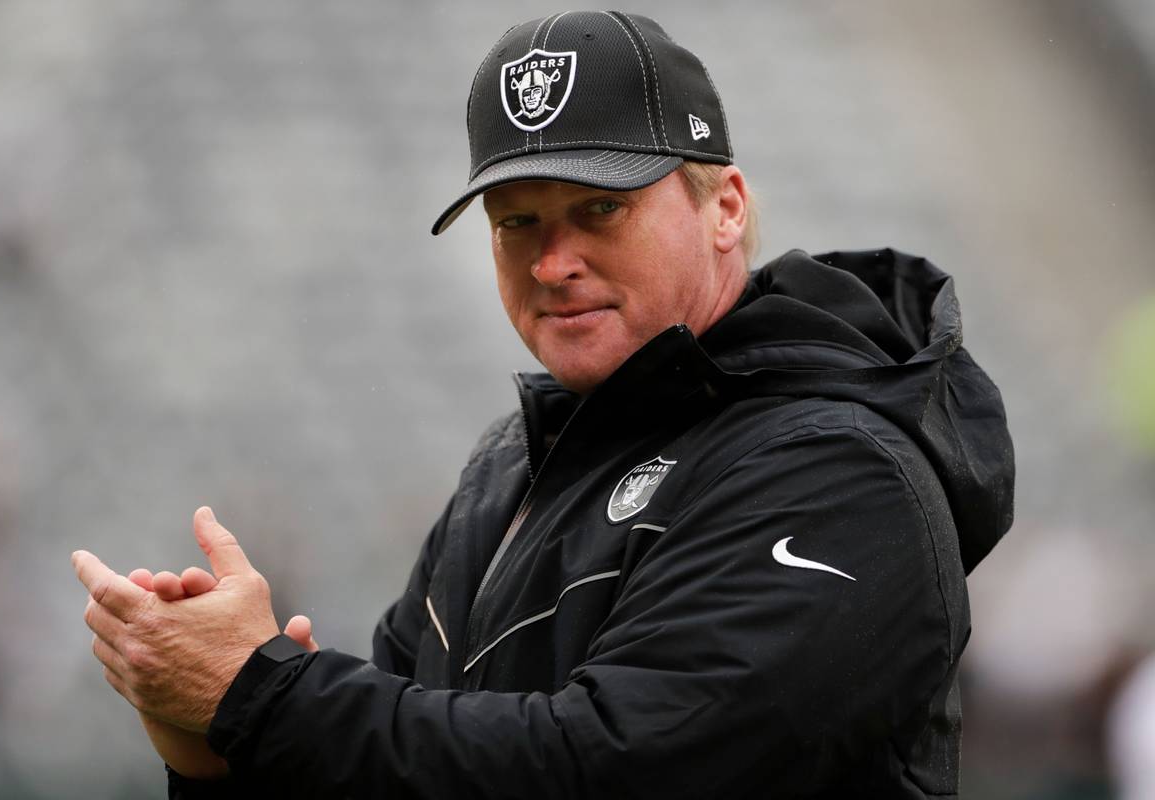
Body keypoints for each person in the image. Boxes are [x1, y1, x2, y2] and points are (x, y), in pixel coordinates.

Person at [72, 11, 1015, 798]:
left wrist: (265, 698)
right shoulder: (510, 469)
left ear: (724, 207)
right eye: (516, 221)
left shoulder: (839, 467)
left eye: (600, 211)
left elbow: (621, 767)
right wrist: (215, 751)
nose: (552, 263)